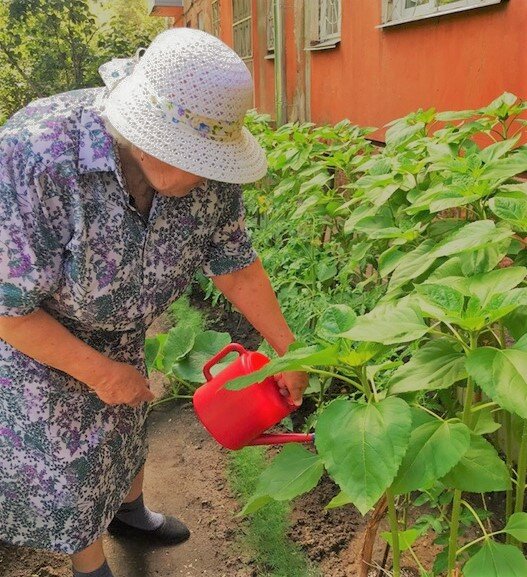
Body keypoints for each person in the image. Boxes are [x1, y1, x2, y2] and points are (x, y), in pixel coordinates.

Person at [0, 27, 308, 577]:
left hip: (123, 329)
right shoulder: (37, 154)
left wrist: (289, 352)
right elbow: (7, 307)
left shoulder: (206, 170)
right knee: (69, 465)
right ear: (142, 137)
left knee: (127, 428)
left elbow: (234, 261)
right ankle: (88, 563)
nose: (207, 175)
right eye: (191, 156)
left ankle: (129, 513)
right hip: (43, 341)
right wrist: (97, 371)